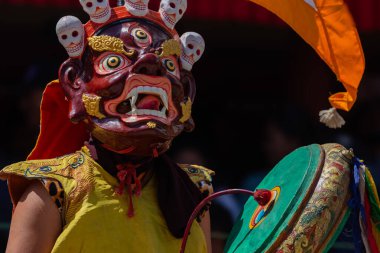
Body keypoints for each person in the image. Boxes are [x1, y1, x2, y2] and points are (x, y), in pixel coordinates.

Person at [0, 1, 213, 252]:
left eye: (168, 66)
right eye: (114, 62)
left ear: (186, 90)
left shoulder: (194, 190)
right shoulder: (51, 190)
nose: (151, 68)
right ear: (74, 82)